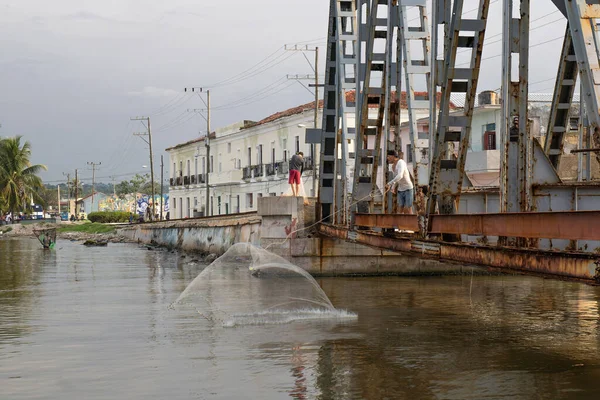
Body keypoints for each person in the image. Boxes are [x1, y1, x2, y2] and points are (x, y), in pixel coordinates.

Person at [384, 150, 414, 214]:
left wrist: (389, 183)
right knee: (400, 209)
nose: (387, 158)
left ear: (393, 156)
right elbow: (396, 179)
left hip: (408, 188)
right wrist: (392, 187)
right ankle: (400, 223)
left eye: (389, 156)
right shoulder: (393, 166)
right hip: (400, 189)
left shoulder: (401, 162)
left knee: (408, 209)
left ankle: (411, 223)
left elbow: (400, 175)